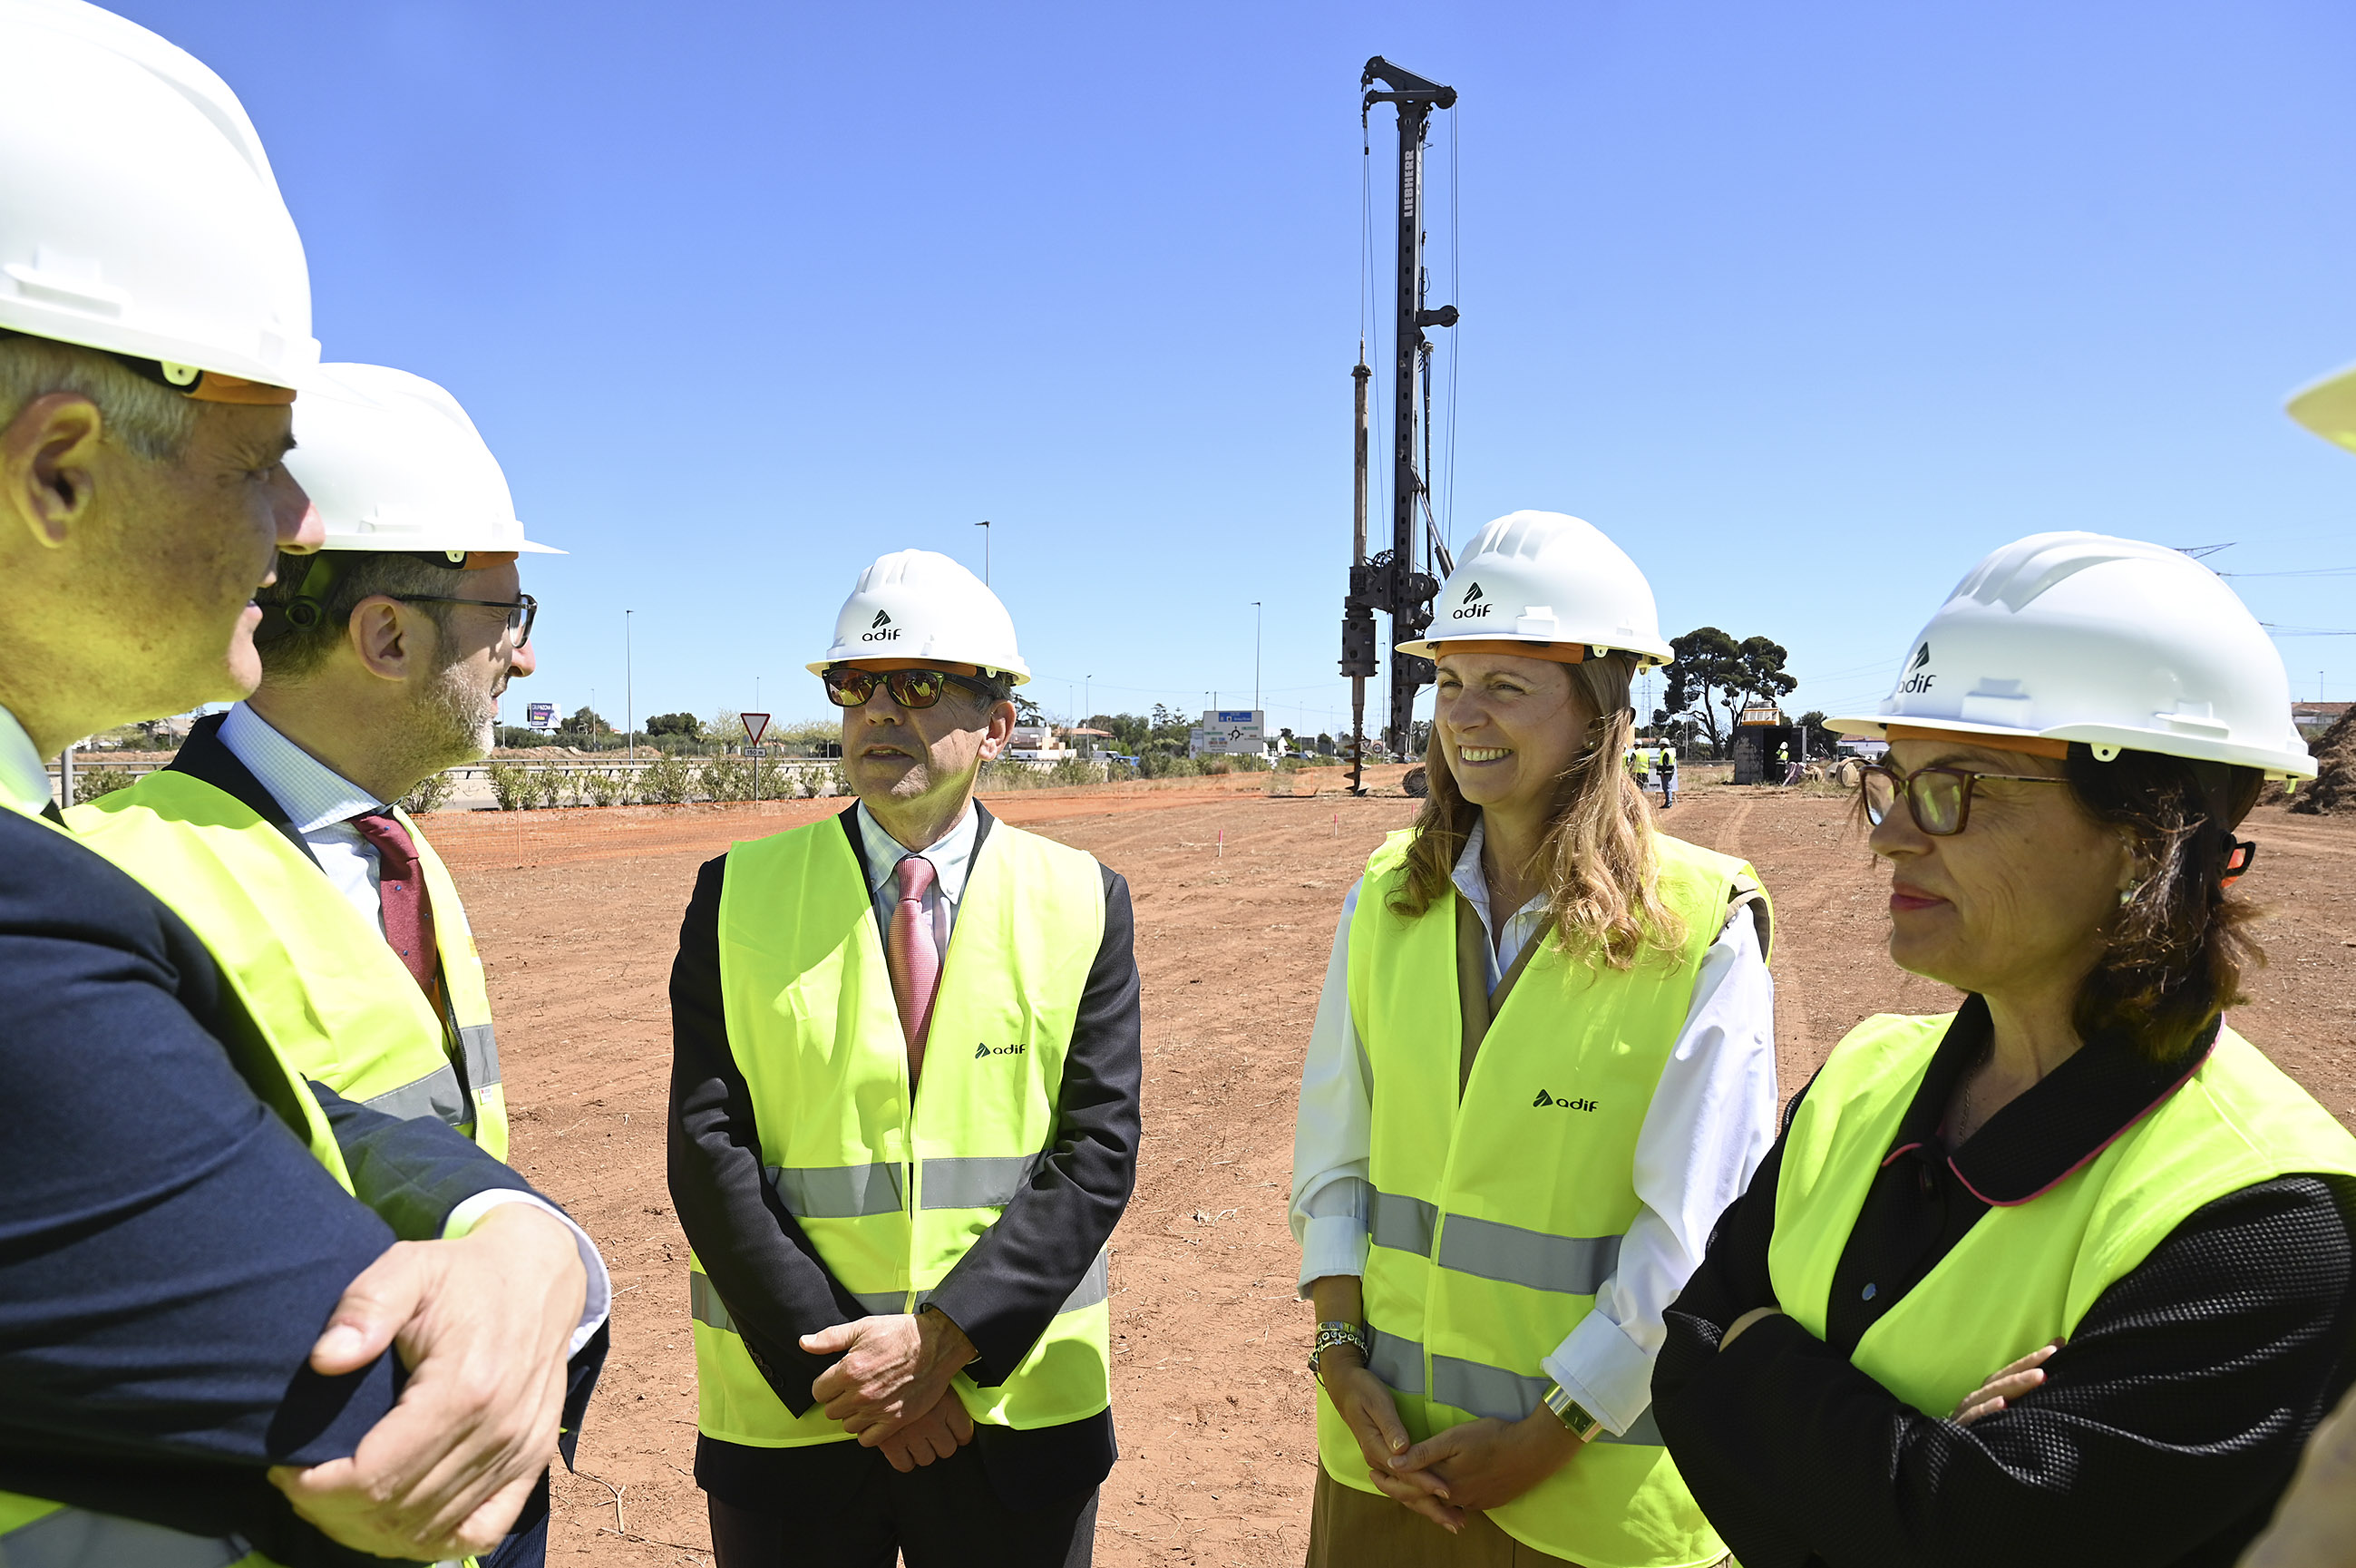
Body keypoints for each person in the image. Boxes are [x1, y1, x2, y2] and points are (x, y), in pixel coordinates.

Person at [0, 5, 602, 1564]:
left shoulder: (384, 856)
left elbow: (304, 1118)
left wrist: (515, 1229)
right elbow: (414, 1449)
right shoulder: (71, 889)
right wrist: (529, 1312)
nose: (290, 517)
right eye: (259, 453)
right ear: (58, 468)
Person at [1651, 531, 2352, 1568]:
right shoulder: (1867, 1073)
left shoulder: (2266, 1219)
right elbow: (1684, 1365)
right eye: (1893, 781)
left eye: (1957, 787)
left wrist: (1761, 1354)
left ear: (2145, 836)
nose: (1890, 835)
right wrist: (1917, 1468)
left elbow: (1973, 1540)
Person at [65, 362, 590, 1566]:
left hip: (458, 1494)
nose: (520, 660)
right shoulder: (119, 873)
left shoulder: (399, 850)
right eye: (507, 620)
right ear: (388, 631)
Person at [1291, 510, 1777, 1567]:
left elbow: (1691, 1239)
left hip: (1587, 1506)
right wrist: (1338, 1350)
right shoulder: (1387, 899)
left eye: (1507, 685)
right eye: (1451, 681)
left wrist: (1549, 1433)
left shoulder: (1699, 927)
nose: (1466, 715)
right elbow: (1335, 1154)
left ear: (1602, 708)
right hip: (1390, 1474)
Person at [669, 549, 1142, 1568]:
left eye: (920, 685)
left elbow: (1097, 1150)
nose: (881, 712)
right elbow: (708, 1149)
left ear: (999, 721)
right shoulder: (735, 893)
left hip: (1009, 1416)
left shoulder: (1082, 900)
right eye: (855, 686)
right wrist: (852, 1373)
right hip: (801, 1419)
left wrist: (942, 1346)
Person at [1657, 745, 1677, 811]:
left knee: (1666, 788)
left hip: (1665, 773)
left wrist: (1662, 772)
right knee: (1668, 787)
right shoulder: (1671, 752)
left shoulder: (1665, 752)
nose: (1660, 746)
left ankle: (1668, 803)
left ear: (1664, 745)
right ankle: (1668, 802)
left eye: (1661, 745)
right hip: (1670, 772)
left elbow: (1665, 764)